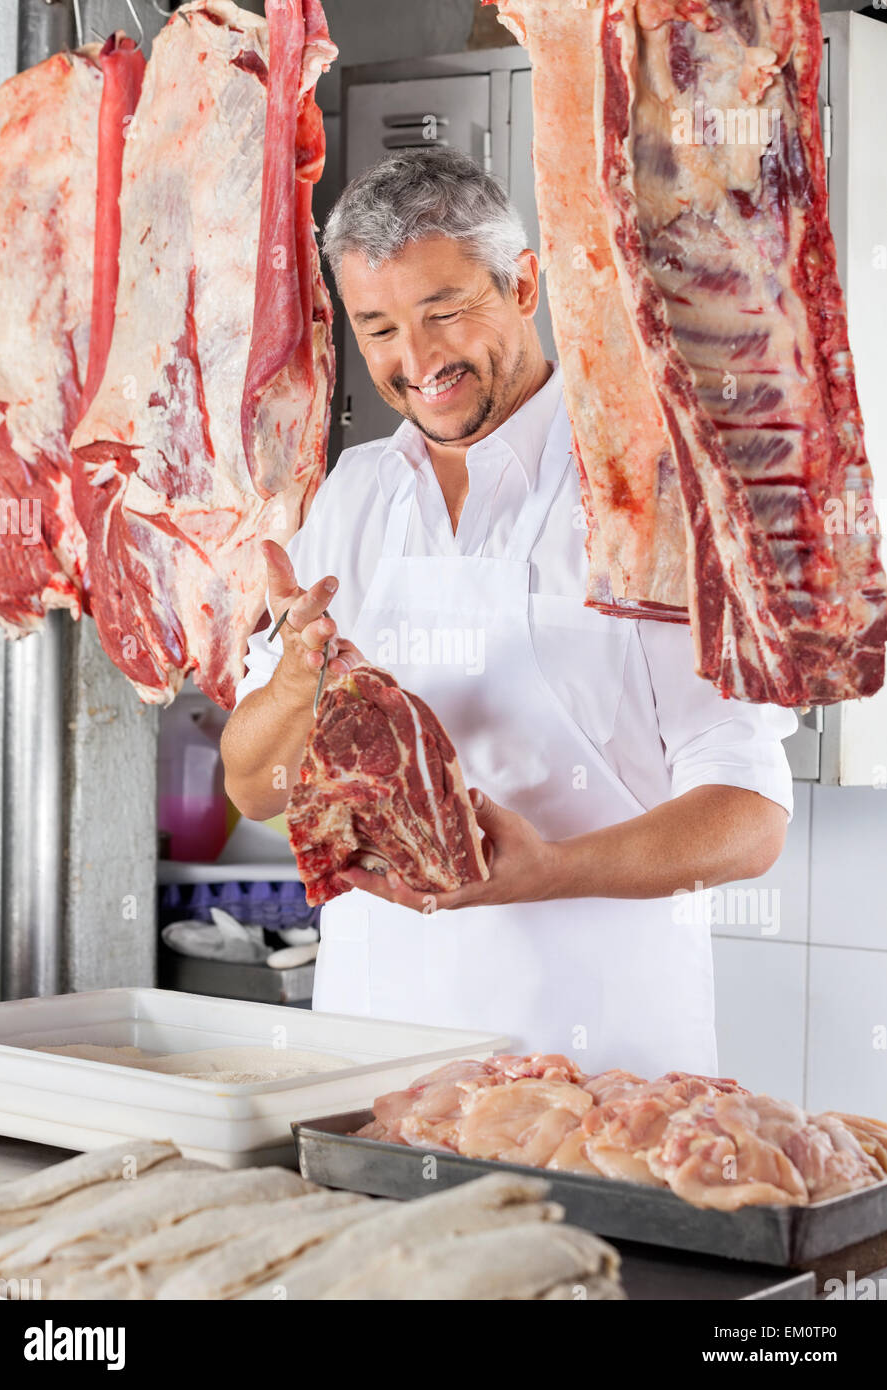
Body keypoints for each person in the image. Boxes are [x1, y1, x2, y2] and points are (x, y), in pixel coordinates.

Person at [221, 148, 797, 1073]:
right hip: (372, 1063)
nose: (418, 362)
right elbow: (257, 792)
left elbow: (750, 817)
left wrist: (551, 873)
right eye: (378, 329)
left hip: (603, 1070)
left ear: (524, 283)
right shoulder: (354, 497)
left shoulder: (643, 491)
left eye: (445, 312)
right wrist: (295, 682)